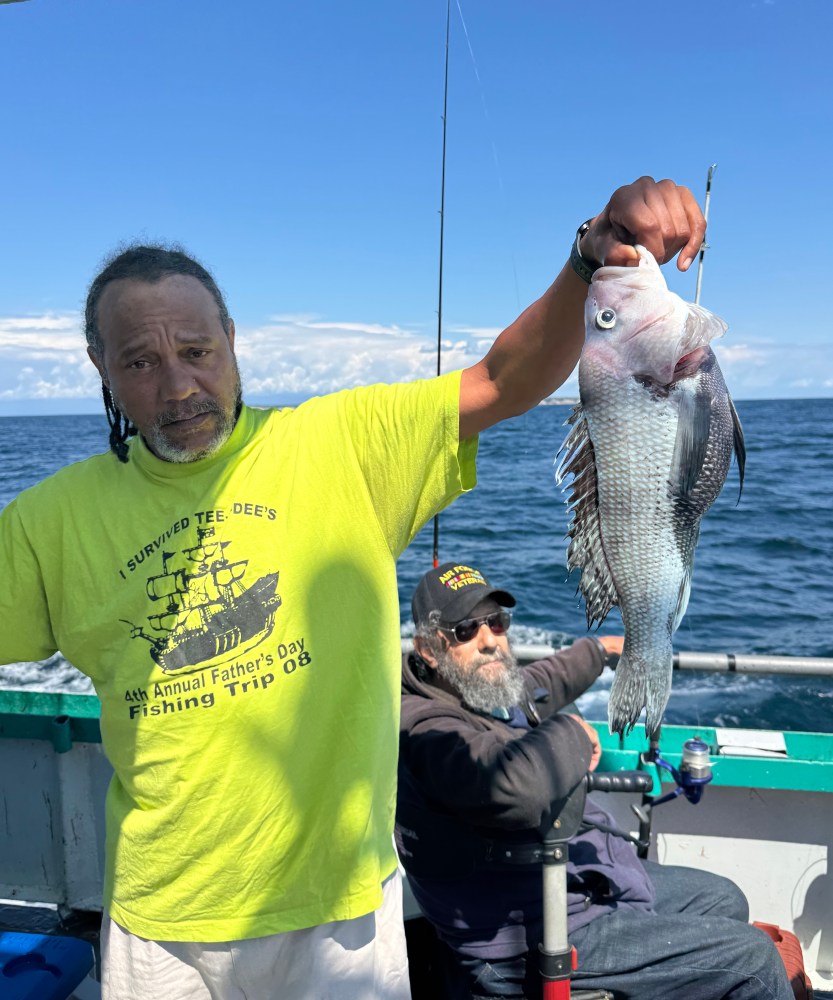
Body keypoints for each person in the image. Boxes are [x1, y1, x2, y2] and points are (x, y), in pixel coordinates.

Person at [0, 178, 706, 1000]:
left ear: (232, 338)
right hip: (161, 924)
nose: (178, 386)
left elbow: (504, 381)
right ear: (101, 368)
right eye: (141, 362)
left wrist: (589, 256)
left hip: (338, 916)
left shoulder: (341, 442)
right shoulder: (49, 521)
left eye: (197, 351)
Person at [397, 561, 795, 1000]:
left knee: (724, 898)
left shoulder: (473, 691)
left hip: (562, 883)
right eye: (465, 630)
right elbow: (510, 787)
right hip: (523, 935)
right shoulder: (423, 727)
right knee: (754, 959)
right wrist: (571, 733)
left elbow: (538, 685)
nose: (490, 640)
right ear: (429, 649)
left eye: (497, 621)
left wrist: (598, 651)